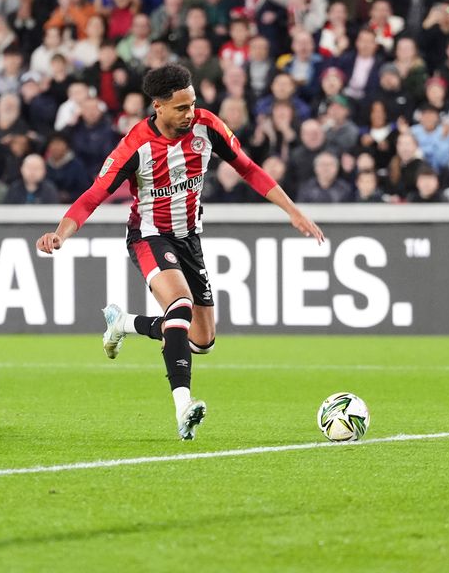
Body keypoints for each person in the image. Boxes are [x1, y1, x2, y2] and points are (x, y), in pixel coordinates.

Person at [35, 64, 323, 441]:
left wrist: (293, 212)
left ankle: (125, 323)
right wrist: (60, 233)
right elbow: (92, 196)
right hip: (149, 236)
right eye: (181, 108)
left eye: (192, 104)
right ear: (158, 106)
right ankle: (183, 406)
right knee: (180, 306)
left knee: (201, 341)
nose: (191, 113)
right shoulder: (135, 146)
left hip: (190, 238)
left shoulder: (207, 126)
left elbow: (249, 169)